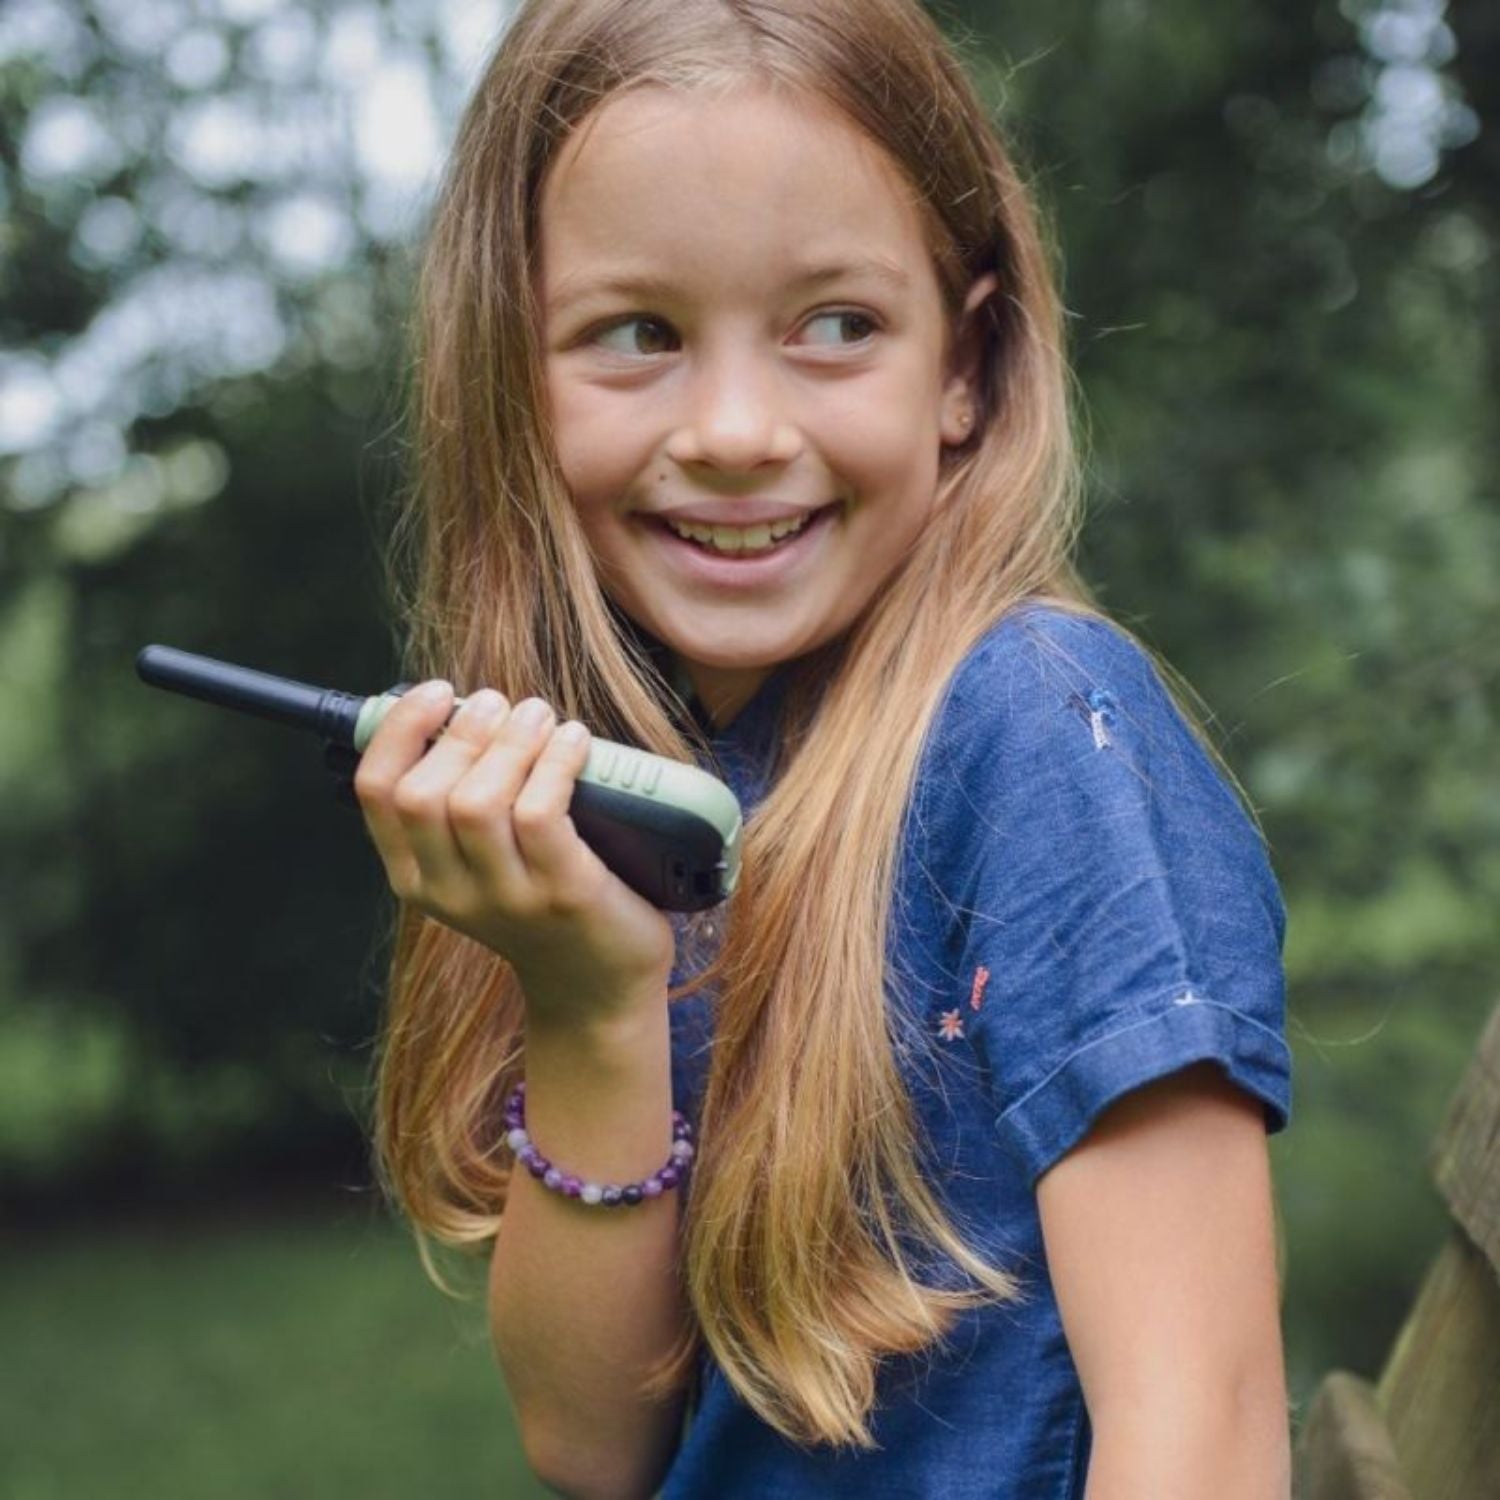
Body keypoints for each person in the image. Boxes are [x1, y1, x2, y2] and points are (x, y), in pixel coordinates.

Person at [351, 0, 1295, 1495]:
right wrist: (594, 996)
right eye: (638, 335)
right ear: (511, 384)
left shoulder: (1039, 729)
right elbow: (592, 1447)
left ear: (966, 368)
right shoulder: (659, 779)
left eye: (837, 326)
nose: (734, 428)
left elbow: (1207, 1429)